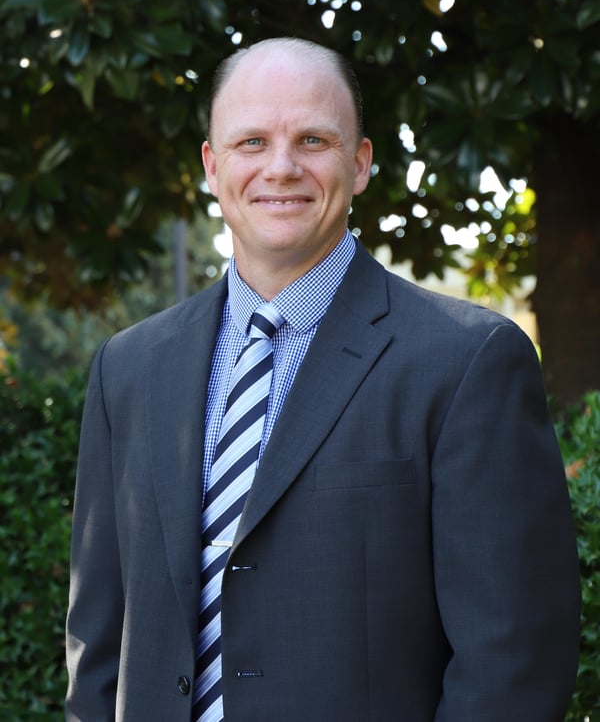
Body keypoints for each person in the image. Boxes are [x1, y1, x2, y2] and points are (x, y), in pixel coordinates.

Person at [65, 37, 580, 722]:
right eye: (251, 142)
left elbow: (512, 660)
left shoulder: (469, 362)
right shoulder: (127, 368)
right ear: (212, 168)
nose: (281, 168)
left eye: (312, 138)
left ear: (360, 163)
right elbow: (98, 642)